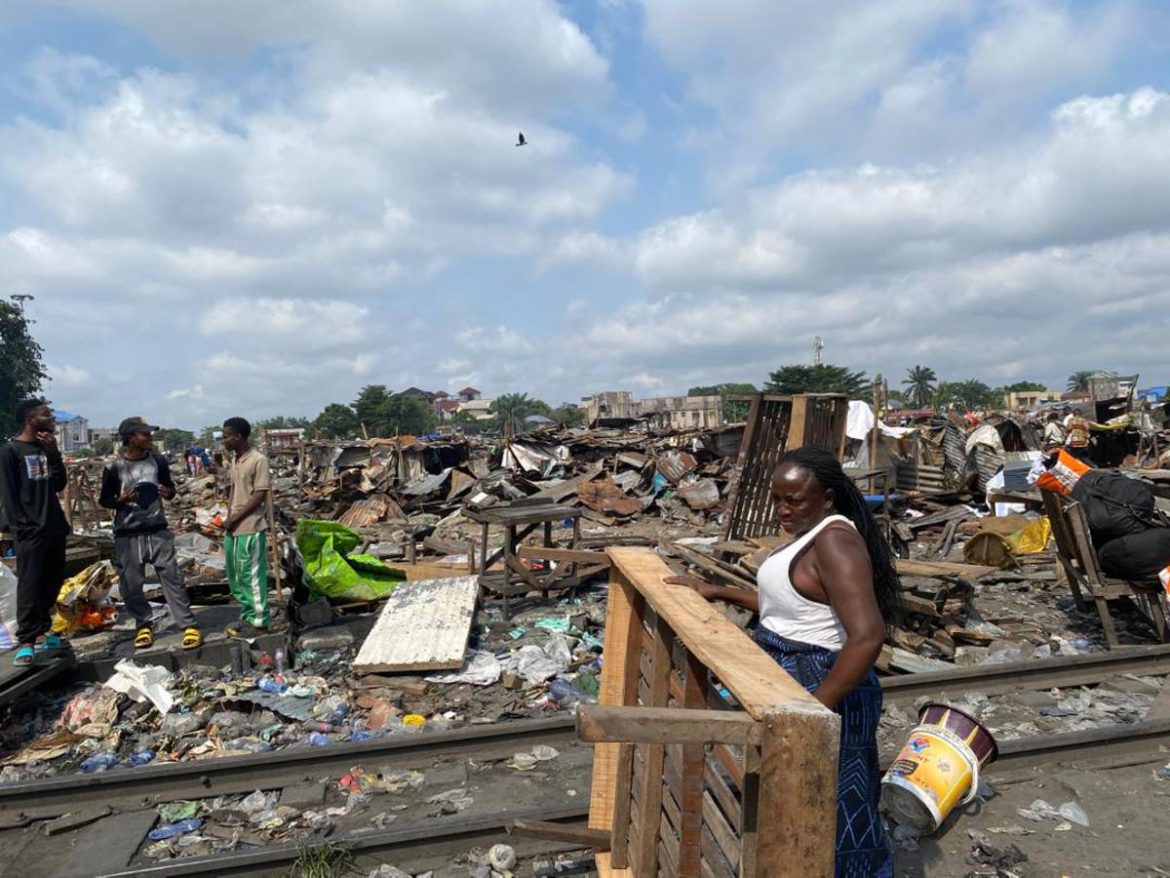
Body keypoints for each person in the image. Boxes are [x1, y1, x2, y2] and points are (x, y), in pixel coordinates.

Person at [667, 446, 899, 877]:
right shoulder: (811, 537)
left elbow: (868, 636)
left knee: (837, 808)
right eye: (777, 499)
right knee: (798, 800)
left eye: (794, 501)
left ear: (826, 498)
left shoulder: (835, 542)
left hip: (829, 684)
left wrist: (814, 709)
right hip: (798, 680)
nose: (782, 510)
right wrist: (718, 591)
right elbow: (791, 605)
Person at [99, 418, 202, 650]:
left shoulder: (158, 461)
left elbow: (170, 490)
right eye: (144, 434)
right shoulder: (114, 467)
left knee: (172, 578)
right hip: (128, 534)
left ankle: (188, 625)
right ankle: (143, 624)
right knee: (131, 584)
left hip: (158, 530)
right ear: (131, 438)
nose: (149, 438)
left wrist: (168, 492)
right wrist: (121, 501)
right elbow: (104, 499)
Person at [0, 399, 70, 666]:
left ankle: (44, 629)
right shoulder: (10, 451)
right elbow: (8, 495)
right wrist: (21, 528)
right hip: (30, 531)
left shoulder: (45, 448)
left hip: (54, 526)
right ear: (31, 419)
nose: (50, 416)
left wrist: (54, 454)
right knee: (30, 584)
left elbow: (59, 484)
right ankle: (27, 640)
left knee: (52, 581)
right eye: (46, 413)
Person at [220, 417, 271, 637]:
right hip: (234, 527)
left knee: (252, 575)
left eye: (226, 436)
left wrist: (236, 517)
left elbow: (259, 494)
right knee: (236, 575)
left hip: (250, 525)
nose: (223, 441)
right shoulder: (235, 460)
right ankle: (248, 613)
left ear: (238, 436)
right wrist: (229, 518)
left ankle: (259, 622)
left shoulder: (257, 460)